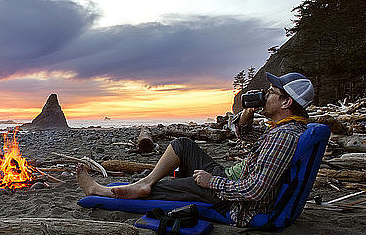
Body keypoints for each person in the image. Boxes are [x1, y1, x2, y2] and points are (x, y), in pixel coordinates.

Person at [76, 72, 315, 227]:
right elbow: (248, 137)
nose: (266, 95)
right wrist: (247, 116)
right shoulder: (284, 130)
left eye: (272, 92)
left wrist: (211, 182)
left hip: (231, 200)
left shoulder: (284, 136)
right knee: (183, 145)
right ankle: (145, 182)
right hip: (229, 179)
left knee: (164, 188)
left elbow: (255, 190)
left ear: (286, 102)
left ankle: (100, 192)